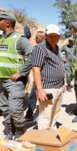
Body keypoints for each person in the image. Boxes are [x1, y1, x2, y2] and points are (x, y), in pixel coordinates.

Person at [0, 12, 33, 140]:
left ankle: (20, 130)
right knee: (5, 108)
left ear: (7, 23)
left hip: (14, 82)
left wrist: (21, 73)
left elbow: (32, 56)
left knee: (15, 109)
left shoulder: (20, 39)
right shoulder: (1, 38)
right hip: (1, 81)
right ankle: (9, 130)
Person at [31, 24, 66, 129]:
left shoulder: (57, 48)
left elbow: (60, 65)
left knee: (55, 114)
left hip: (58, 88)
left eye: (56, 36)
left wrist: (64, 83)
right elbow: (36, 69)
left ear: (59, 37)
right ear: (46, 36)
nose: (53, 38)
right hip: (47, 88)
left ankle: (50, 136)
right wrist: (40, 90)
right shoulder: (40, 49)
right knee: (45, 117)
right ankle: (43, 140)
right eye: (51, 36)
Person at [24, 31, 45, 121]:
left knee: (43, 98)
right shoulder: (36, 48)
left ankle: (43, 118)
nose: (34, 39)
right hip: (37, 78)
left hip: (44, 79)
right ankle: (29, 114)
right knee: (33, 95)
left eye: (36, 37)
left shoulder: (46, 48)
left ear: (42, 38)